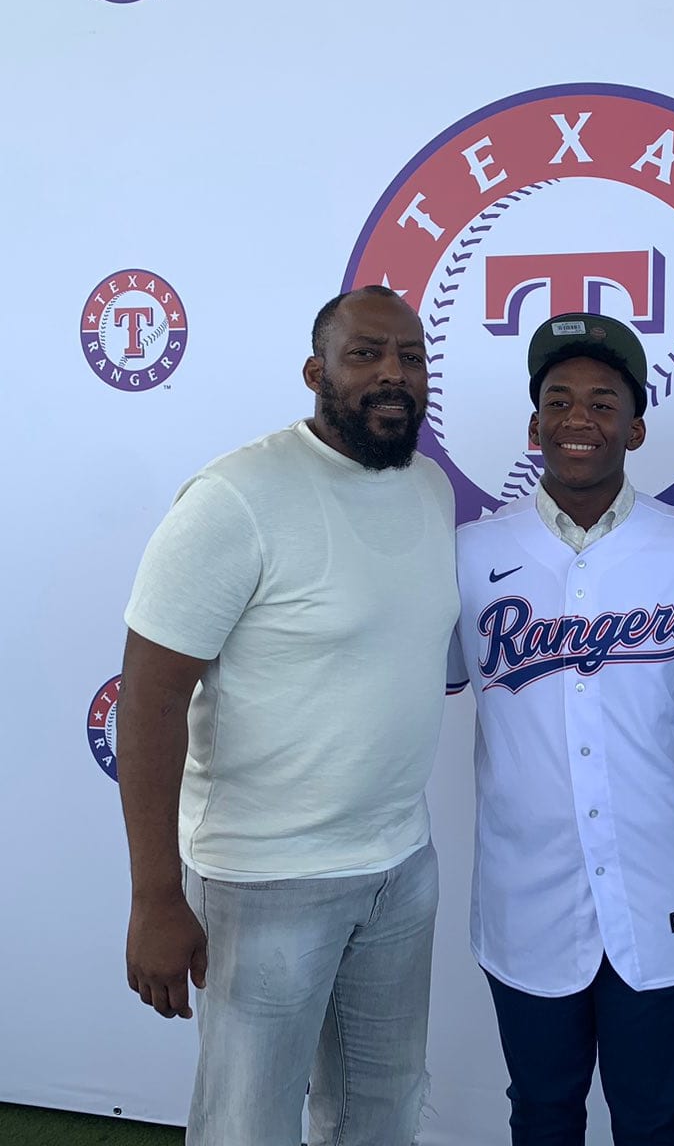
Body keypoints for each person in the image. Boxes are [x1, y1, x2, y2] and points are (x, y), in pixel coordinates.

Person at [117, 285, 459, 1146]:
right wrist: (156, 896)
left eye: (410, 358)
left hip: (400, 869)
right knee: (247, 1128)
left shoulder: (430, 489)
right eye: (366, 354)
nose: (393, 374)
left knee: (379, 1117)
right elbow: (150, 696)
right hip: (265, 881)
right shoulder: (238, 497)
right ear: (316, 372)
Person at [448, 312, 674, 1146]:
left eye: (603, 402)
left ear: (637, 424)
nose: (579, 419)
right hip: (526, 895)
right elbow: (420, 686)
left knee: (657, 1121)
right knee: (543, 1115)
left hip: (659, 889)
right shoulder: (469, 554)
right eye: (559, 400)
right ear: (533, 422)